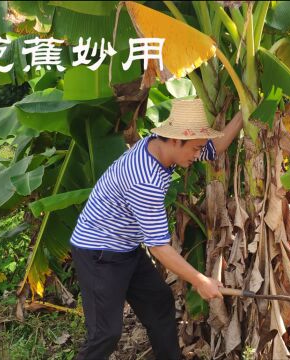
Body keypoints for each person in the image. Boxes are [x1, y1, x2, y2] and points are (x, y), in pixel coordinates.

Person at [69, 98, 244, 360]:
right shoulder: (144, 179)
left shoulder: (160, 146)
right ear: (176, 140)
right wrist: (200, 280)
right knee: (105, 334)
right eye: (195, 149)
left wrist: (244, 112)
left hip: (126, 247)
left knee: (159, 304)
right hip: (98, 252)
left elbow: (214, 147)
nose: (198, 155)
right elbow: (159, 247)